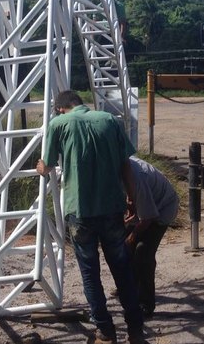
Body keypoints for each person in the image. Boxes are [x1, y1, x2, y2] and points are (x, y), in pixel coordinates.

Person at [36, 90, 146, 344]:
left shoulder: (58, 124)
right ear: (79, 103)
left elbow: (48, 165)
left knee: (90, 274)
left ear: (60, 108)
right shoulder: (108, 121)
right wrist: (132, 198)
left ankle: (105, 332)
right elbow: (125, 164)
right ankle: (135, 330)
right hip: (112, 208)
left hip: (80, 212)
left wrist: (41, 167)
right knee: (122, 269)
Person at [123, 156, 180, 319]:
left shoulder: (137, 179)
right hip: (142, 207)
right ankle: (129, 286)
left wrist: (131, 237)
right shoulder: (112, 169)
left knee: (142, 252)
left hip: (162, 208)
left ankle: (145, 303)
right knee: (125, 251)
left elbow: (147, 218)